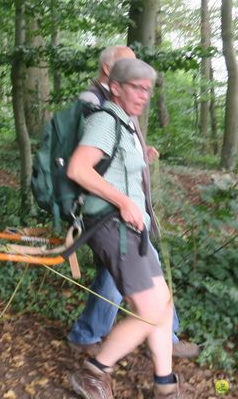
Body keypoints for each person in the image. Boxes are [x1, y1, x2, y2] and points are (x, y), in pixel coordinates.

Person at [67, 58, 194, 399]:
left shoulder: (126, 123)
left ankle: (164, 384)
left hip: (131, 229)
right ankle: (94, 372)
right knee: (151, 311)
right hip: (114, 226)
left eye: (147, 89)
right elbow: (79, 169)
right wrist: (123, 202)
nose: (143, 95)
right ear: (116, 88)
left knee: (162, 305)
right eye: (136, 87)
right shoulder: (106, 120)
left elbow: (118, 168)